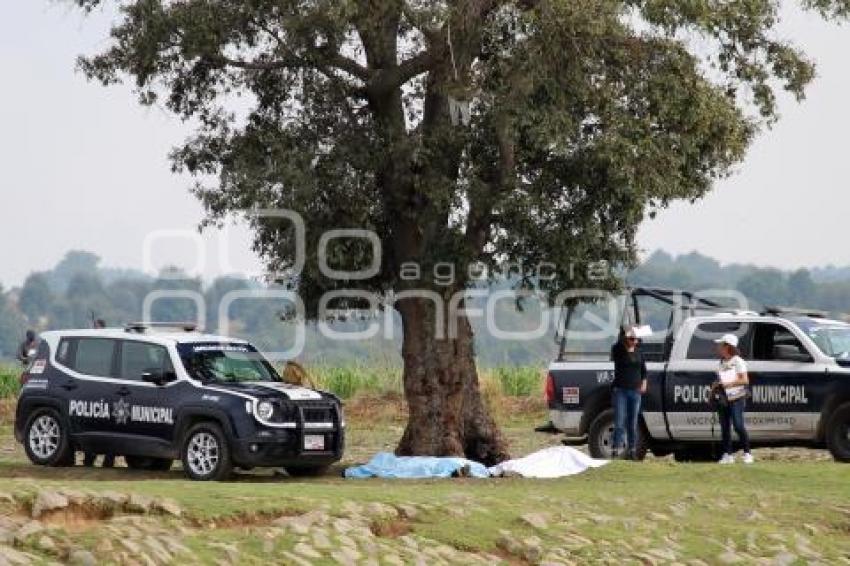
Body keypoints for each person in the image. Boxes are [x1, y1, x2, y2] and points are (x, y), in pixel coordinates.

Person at [712, 334, 753, 464]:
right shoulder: (721, 362)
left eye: (721, 345)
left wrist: (729, 384)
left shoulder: (738, 361)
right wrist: (715, 387)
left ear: (728, 346)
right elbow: (720, 379)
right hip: (724, 397)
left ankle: (747, 453)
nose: (719, 347)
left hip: (737, 397)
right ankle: (727, 454)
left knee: (738, 425)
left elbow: (745, 380)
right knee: (725, 426)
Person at [610, 326, 648, 460]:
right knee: (619, 421)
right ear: (626, 339)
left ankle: (632, 449)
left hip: (635, 391)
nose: (634, 341)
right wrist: (626, 331)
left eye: (636, 339)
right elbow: (617, 345)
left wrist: (644, 384)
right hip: (621, 390)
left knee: (632, 422)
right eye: (631, 338)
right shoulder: (619, 350)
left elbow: (644, 371)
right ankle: (615, 448)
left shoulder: (639, 352)